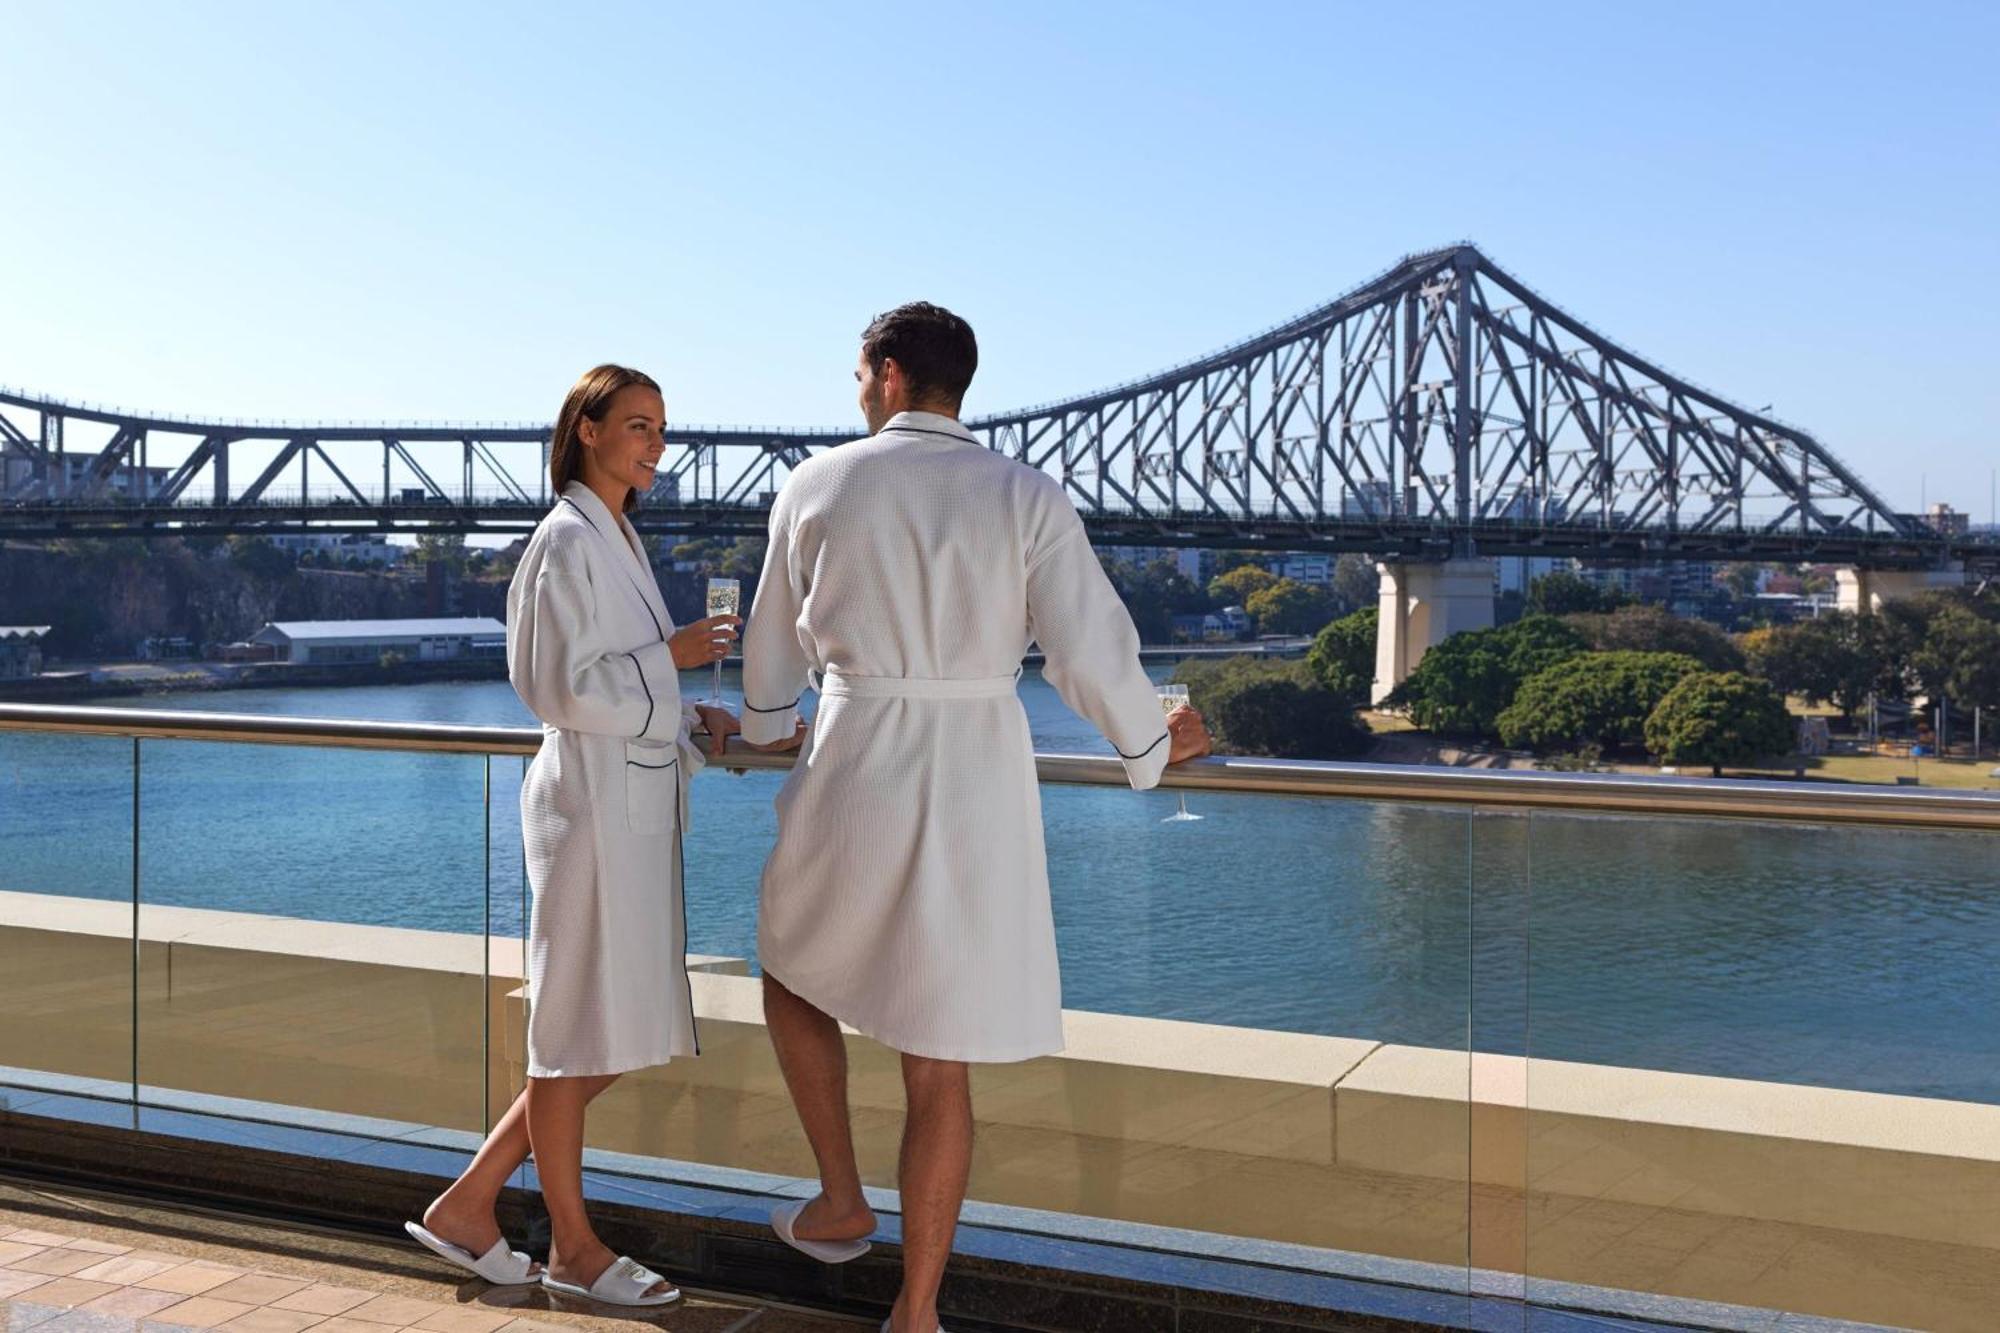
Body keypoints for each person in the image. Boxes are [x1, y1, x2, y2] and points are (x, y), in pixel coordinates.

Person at [739, 304, 1211, 1333]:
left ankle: (839, 1192)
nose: (855, 390)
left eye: (858, 373)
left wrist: (768, 723)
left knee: (786, 964)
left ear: (888, 373)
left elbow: (772, 654)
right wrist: (1148, 739)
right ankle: (915, 1310)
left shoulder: (815, 484)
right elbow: (1084, 647)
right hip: (976, 770)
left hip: (855, 753)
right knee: (936, 1051)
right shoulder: (1024, 492)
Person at [404, 364, 782, 1306]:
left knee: (607, 1027)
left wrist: (700, 721)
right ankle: (572, 1247)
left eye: (664, 427)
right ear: (586, 431)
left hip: (631, 808)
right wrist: (678, 655)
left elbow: (619, 686)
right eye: (638, 424)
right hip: (588, 816)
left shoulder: (615, 535)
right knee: (576, 1035)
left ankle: (471, 1201)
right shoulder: (563, 543)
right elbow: (556, 686)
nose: (656, 443)